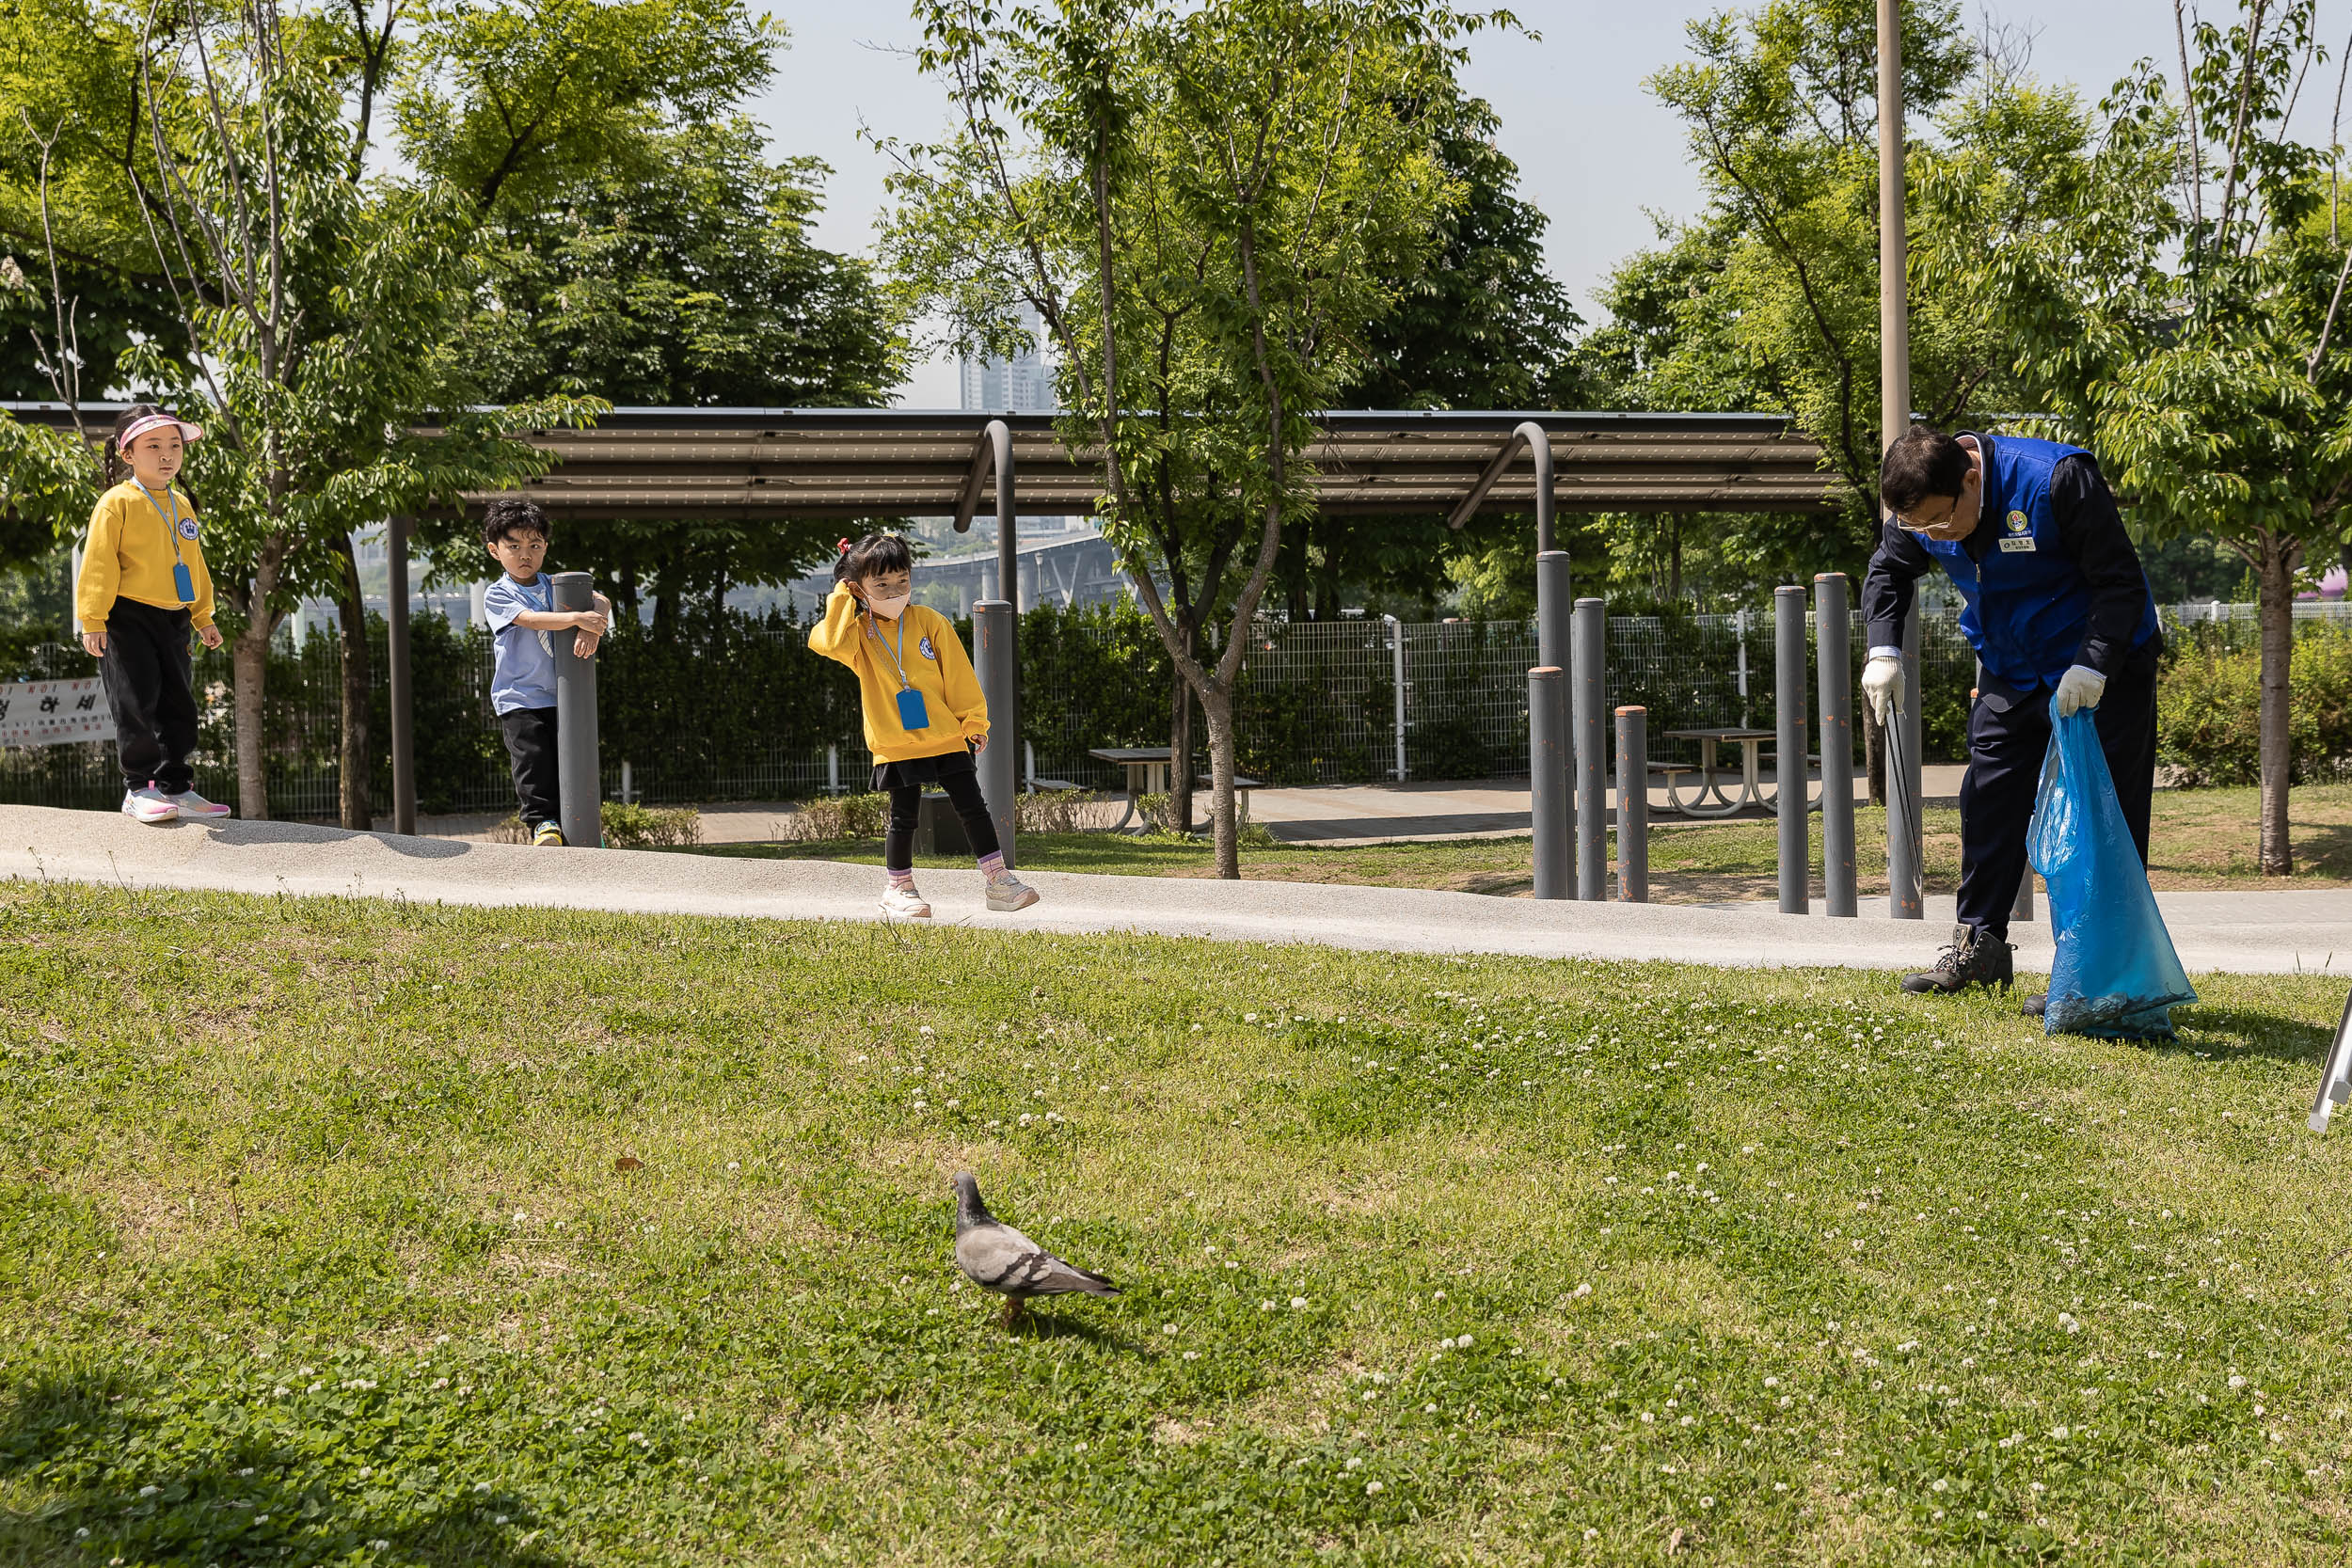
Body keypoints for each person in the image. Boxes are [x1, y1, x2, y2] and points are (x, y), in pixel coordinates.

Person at [1862, 426, 2162, 1011]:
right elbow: (1889, 570)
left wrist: (2094, 664)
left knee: (2105, 818)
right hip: (2011, 663)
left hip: (2103, 667)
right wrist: (1883, 649)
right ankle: (1980, 946)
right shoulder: (1922, 509)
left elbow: (2120, 582)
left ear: (1972, 478)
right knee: (1989, 798)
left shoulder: (2057, 479)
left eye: (1940, 522)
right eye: (1918, 527)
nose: (1933, 536)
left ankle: (2101, 975)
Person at [809, 531, 1039, 917]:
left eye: (902, 581)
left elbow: (959, 676)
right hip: (896, 744)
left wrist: (974, 721)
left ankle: (999, 881)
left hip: (947, 737)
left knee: (973, 808)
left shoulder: (930, 620)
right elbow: (826, 641)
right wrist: (843, 597)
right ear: (858, 588)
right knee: (904, 816)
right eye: (880, 584)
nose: (894, 591)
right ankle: (899, 888)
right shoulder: (857, 634)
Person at [75, 404, 232, 824]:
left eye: (175, 445)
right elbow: (98, 563)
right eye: (154, 446)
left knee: (178, 703)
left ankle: (176, 786)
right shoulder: (116, 503)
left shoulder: (180, 502)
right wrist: (92, 619)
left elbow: (194, 563)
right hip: (127, 617)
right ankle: (138, 790)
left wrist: (203, 615)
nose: (167, 455)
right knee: (135, 700)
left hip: (174, 617)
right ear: (128, 454)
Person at [482, 498, 609, 847]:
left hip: (562, 695)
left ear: (545, 548)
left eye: (534, 545)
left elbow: (602, 601)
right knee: (534, 760)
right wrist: (575, 619)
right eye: (514, 546)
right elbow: (528, 619)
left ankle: (581, 824)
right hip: (520, 697)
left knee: (570, 760)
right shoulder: (497, 593)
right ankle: (543, 824)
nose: (526, 555)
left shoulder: (557, 584)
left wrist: (590, 626)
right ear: (495, 551)